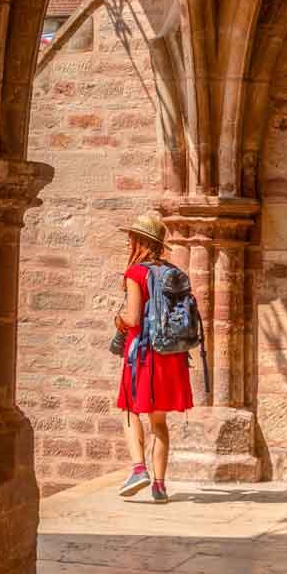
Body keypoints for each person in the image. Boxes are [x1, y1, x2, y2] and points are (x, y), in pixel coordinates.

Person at [112, 213, 192, 502]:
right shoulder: (172, 272)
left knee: (132, 411)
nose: (128, 241)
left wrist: (118, 320)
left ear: (140, 241)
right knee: (159, 421)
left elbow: (133, 317)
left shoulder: (136, 274)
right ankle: (159, 486)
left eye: (131, 237)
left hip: (143, 355)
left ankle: (138, 469)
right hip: (171, 354)